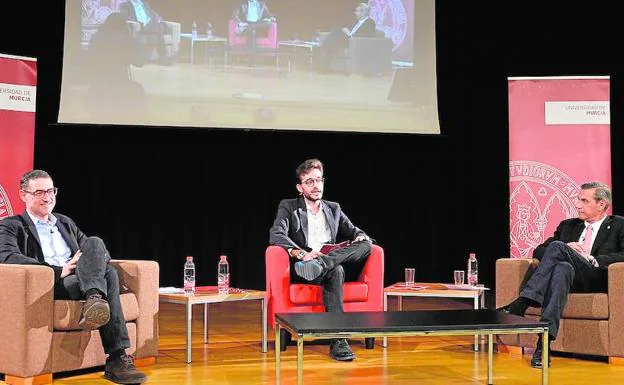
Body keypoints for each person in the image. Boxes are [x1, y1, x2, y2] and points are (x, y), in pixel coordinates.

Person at [0, 170, 147, 384]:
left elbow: (97, 253)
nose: (47, 197)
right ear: (24, 195)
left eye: (51, 191)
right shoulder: (11, 225)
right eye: (39, 192)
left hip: (81, 280)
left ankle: (95, 299)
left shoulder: (64, 222)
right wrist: (59, 270)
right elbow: (7, 257)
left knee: (96, 243)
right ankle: (117, 358)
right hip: (52, 283)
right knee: (109, 275)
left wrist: (88, 263)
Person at [498, 181, 624, 368]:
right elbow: (539, 251)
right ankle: (544, 345)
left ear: (601, 204)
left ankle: (523, 301)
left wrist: (593, 259)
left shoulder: (618, 225)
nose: (578, 204)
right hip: (568, 278)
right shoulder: (568, 226)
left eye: (584, 200)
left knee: (558, 247)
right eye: (578, 199)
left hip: (594, 276)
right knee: (561, 269)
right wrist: (568, 249)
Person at [269, 158, 373, 361]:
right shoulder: (289, 207)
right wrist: (301, 254)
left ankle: (324, 263)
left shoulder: (333, 208)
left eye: (319, 180)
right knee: (337, 270)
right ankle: (338, 340)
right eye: (310, 182)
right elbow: (276, 234)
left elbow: (354, 230)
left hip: (327, 260)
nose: (316, 186)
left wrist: (360, 236)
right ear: (300, 187)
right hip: (305, 266)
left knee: (366, 244)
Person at [85, 11, 147, 122]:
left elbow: (90, 60)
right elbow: (139, 62)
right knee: (138, 91)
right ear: (123, 25)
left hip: (97, 85)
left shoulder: (95, 38)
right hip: (119, 85)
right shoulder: (126, 39)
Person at [315, 2, 377, 73]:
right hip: (349, 40)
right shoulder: (357, 22)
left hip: (356, 43)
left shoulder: (370, 22)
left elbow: (367, 35)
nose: (355, 13)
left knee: (336, 32)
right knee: (335, 32)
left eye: (357, 11)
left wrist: (349, 34)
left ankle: (322, 48)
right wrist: (346, 31)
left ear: (363, 12)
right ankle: (324, 66)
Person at [119, 0, 169, 64]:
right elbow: (126, 17)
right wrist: (139, 23)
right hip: (138, 27)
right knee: (159, 29)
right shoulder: (125, 5)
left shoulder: (144, 4)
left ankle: (163, 57)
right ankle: (163, 56)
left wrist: (159, 19)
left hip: (148, 26)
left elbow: (153, 14)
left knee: (159, 26)